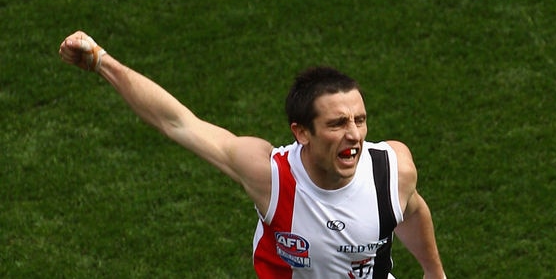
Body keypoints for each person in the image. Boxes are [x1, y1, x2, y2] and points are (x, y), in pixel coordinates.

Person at [58, 31, 446, 279]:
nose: (354, 135)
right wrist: (100, 61)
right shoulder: (271, 176)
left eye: (360, 120)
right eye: (337, 123)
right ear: (302, 132)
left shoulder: (392, 169)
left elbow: (411, 210)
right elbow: (177, 123)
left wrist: (434, 272)